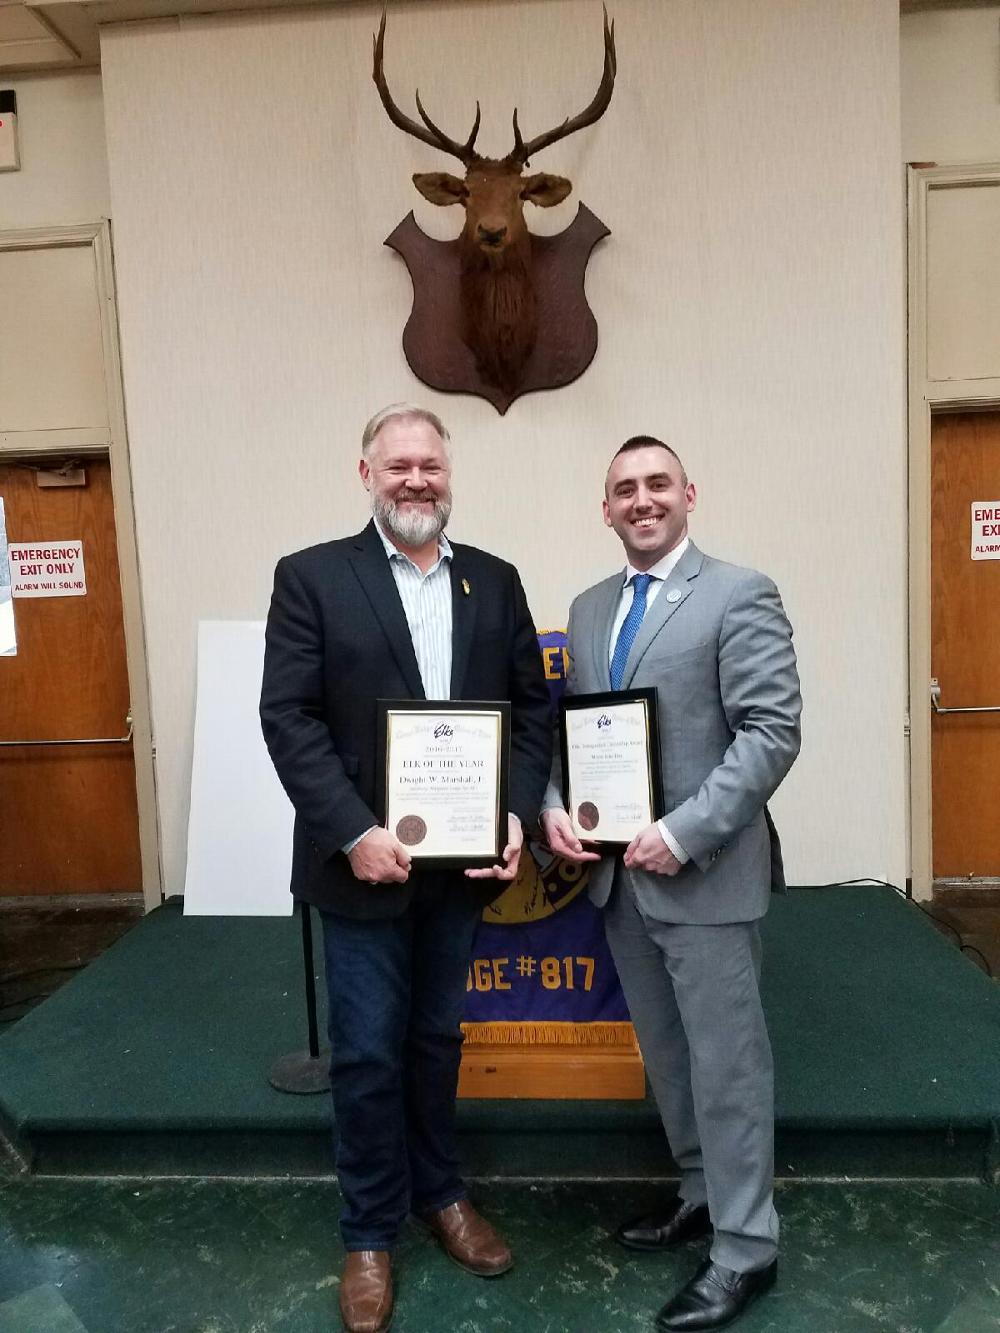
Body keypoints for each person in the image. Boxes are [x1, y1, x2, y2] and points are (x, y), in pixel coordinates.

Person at [260, 404, 551, 1333]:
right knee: (368, 1050)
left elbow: (531, 713)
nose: (417, 479)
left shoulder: (495, 583)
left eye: (430, 463)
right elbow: (288, 719)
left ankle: (443, 1194)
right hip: (362, 867)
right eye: (399, 466)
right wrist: (353, 830)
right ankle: (369, 1230)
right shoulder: (310, 578)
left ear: (448, 473)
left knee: (435, 1040)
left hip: (461, 869)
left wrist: (512, 812)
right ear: (366, 474)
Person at [541, 436, 801, 1332]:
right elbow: (572, 733)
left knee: (730, 1064)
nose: (642, 499)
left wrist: (682, 832)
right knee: (669, 1054)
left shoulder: (740, 592)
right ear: (604, 508)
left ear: (690, 493)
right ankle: (700, 1191)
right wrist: (552, 807)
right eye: (624, 489)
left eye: (658, 483)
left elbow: (770, 732)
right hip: (619, 883)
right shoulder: (586, 608)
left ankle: (745, 1248)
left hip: (707, 878)